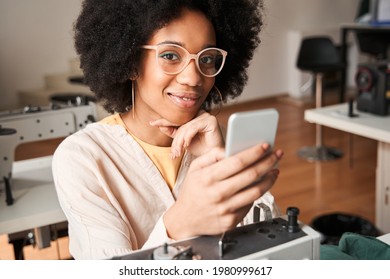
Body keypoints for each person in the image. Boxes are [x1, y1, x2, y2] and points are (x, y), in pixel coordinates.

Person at [52, 0, 284, 260]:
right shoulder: (83, 158)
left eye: (207, 59)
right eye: (170, 55)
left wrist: (219, 163)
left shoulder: (212, 141)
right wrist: (177, 226)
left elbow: (272, 250)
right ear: (130, 62)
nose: (193, 78)